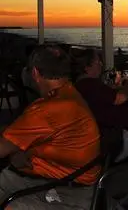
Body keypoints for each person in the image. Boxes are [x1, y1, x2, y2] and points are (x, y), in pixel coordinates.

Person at [0, 45, 101, 209]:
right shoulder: (69, 93)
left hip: (66, 194)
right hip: (79, 184)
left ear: (35, 73)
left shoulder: (45, 110)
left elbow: (2, 148)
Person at [74, 49, 128, 162]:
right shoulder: (90, 85)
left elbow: (103, 97)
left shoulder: (80, 85)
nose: (101, 64)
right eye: (97, 62)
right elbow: (120, 99)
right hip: (112, 141)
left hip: (101, 135)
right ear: (86, 67)